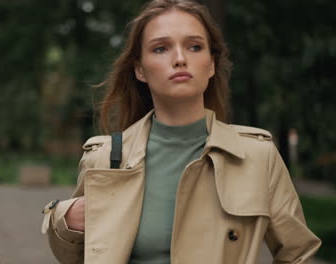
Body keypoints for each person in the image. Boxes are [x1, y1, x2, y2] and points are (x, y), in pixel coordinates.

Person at [41, 0, 321, 263]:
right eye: (161, 48)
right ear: (139, 69)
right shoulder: (105, 158)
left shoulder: (257, 156)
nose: (179, 58)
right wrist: (64, 220)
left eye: (194, 47)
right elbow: (76, 256)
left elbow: (298, 253)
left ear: (211, 64)